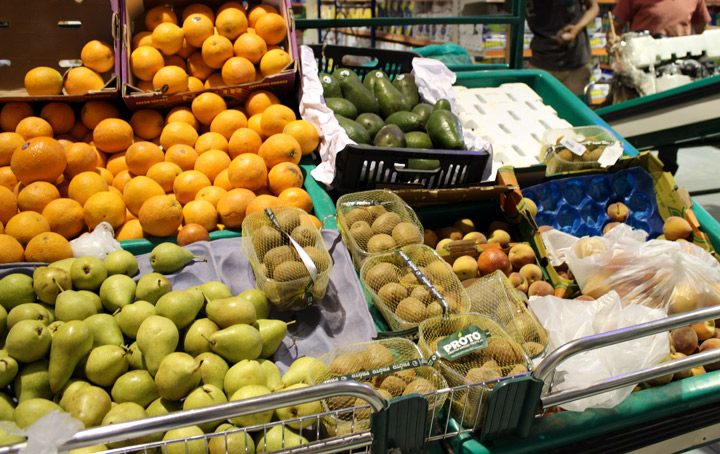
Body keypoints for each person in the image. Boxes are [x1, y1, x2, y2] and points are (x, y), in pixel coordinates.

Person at [607, 0, 711, 175]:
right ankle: (627, 171)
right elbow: (615, 26)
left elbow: (701, 28)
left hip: (676, 73)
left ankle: (664, 176)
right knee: (631, 128)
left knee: (672, 131)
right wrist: (612, 40)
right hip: (638, 71)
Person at [526, 0, 600, 96]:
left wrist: (577, 28)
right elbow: (512, 25)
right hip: (540, 65)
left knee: (575, 109)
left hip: (575, 66)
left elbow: (594, 7)